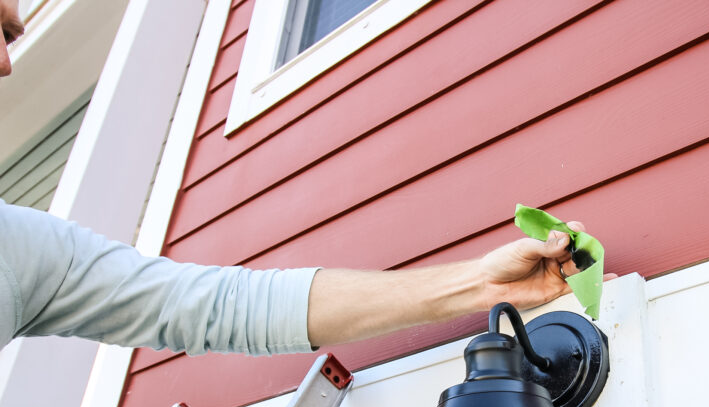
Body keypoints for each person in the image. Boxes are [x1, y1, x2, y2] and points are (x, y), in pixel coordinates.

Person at [0, 2, 585, 355]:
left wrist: (481, 287)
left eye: (10, 37)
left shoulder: (28, 253)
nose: (7, 61)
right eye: (4, 30)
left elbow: (231, 307)